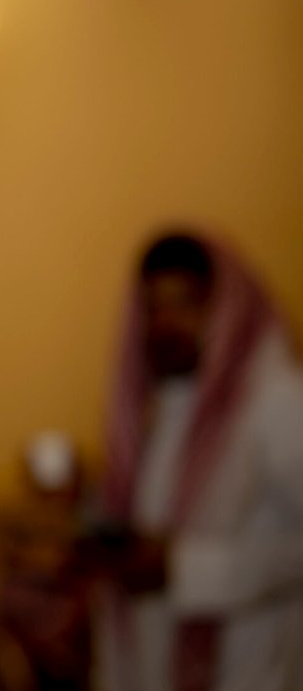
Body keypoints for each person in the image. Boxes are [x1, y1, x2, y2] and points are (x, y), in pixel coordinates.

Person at [93, 231, 303, 691]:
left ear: (227, 308)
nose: (165, 324)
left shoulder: (279, 402)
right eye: (154, 307)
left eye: (185, 303)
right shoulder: (162, 408)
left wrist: (188, 569)